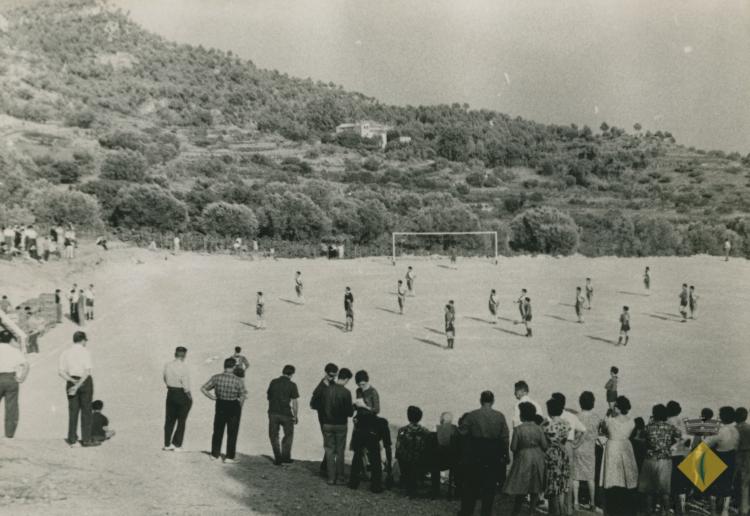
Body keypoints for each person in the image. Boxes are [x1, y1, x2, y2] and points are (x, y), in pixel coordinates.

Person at [458, 390, 510, 516]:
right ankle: (486, 513)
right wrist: (506, 455)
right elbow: (504, 438)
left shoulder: (472, 415)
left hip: (475, 454)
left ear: (480, 400)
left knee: (471, 486)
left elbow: (461, 433)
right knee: (489, 487)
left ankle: (467, 512)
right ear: (492, 401)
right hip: (493, 454)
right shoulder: (500, 416)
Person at [504, 401, 548, 515]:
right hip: (537, 458)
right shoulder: (539, 428)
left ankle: (516, 511)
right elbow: (544, 446)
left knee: (521, 486)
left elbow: (513, 447)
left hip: (523, 458)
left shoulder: (518, 429)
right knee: (535, 486)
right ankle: (532, 512)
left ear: (522, 415)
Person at [201, 358, 247, 463]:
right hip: (233, 406)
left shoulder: (216, 377)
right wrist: (240, 406)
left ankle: (214, 454)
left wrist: (212, 397)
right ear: (234, 367)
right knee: (232, 432)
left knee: (218, 430)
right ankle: (229, 457)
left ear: (225, 366)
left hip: (220, 404)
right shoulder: (238, 380)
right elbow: (243, 395)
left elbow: (203, 388)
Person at [638, 404, 680, 515]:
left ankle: (649, 512)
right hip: (665, 460)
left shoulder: (648, 427)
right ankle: (666, 511)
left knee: (648, 491)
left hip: (649, 459)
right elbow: (681, 437)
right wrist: (672, 445)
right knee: (665, 491)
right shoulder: (670, 427)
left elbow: (640, 438)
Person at [58, 331, 99, 447]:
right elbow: (87, 372)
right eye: (85, 340)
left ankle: (72, 438)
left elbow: (60, 372)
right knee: (86, 410)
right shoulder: (85, 352)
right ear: (82, 340)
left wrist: (72, 382)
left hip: (71, 381)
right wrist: (78, 385)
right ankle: (86, 439)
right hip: (84, 382)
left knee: (73, 410)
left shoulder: (65, 353)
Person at [599, 396, 639, 515]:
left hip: (613, 446)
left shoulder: (610, 420)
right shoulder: (631, 421)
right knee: (626, 470)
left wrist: (607, 415)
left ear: (619, 408)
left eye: (615, 405)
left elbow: (603, 429)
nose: (613, 407)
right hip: (625, 445)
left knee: (613, 473)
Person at [552, 392, 586, 515]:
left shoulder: (552, 416)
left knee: (557, 478)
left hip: (557, 446)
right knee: (568, 478)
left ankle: (557, 509)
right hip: (569, 446)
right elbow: (583, 430)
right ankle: (568, 509)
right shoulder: (571, 416)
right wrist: (576, 444)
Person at [349, 370, 383, 493]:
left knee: (373, 454)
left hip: (371, 422)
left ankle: (376, 484)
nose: (361, 387)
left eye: (363, 384)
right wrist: (354, 405)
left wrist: (364, 406)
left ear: (367, 381)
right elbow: (355, 407)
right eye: (359, 385)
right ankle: (353, 482)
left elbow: (377, 409)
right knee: (357, 453)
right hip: (360, 422)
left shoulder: (373, 392)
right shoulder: (358, 391)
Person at [320, 367, 354, 485]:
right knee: (340, 451)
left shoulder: (326, 390)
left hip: (327, 424)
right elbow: (350, 413)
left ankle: (330, 478)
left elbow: (320, 406)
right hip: (340, 425)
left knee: (329, 450)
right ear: (346, 379)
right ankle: (340, 478)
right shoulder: (346, 392)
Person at [705, 406, 740, 516]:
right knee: (727, 485)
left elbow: (706, 443)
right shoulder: (736, 430)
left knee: (713, 485)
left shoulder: (721, 431)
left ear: (723, 417)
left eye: (720, 415)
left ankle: (713, 511)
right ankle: (725, 510)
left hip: (719, 457)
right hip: (732, 458)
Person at [542, 397, 572, 516]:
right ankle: (562, 511)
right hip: (563, 453)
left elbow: (544, 440)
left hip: (552, 454)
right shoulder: (566, 424)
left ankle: (554, 512)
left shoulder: (548, 426)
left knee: (552, 483)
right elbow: (564, 439)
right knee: (562, 484)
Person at [573, 391, 602, 511]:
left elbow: (576, 433)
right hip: (590, 449)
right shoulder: (596, 417)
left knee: (576, 477)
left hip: (578, 448)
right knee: (590, 477)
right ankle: (593, 503)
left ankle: (575, 502)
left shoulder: (577, 416)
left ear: (581, 402)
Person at [310, 363, 338, 477]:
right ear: (325, 373)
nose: (333, 378)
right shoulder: (320, 388)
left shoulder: (333, 385)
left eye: (334, 376)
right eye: (331, 376)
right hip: (325, 418)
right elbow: (312, 404)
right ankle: (326, 468)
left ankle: (325, 467)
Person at [267, 365, 299, 466]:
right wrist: (295, 415)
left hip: (273, 412)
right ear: (292, 374)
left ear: (283, 371)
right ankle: (286, 457)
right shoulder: (292, 385)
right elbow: (294, 402)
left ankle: (278, 458)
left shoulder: (273, 382)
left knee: (274, 435)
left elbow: (269, 397)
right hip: (286, 413)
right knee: (288, 435)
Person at [396, 405, 431, 497]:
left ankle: (408, 488)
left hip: (406, 460)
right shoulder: (425, 431)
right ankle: (415, 486)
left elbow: (398, 447)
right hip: (420, 459)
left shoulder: (402, 430)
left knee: (404, 463)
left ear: (408, 416)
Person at [0, 330, 29, 438]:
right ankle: (9, 434)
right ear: (10, 340)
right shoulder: (14, 351)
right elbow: (26, 365)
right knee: (11, 407)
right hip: (10, 378)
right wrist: (22, 378)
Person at [163, 346, 192, 452]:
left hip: (170, 392)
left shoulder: (168, 365)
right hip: (181, 393)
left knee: (169, 420)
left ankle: (167, 444)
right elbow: (186, 384)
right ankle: (177, 444)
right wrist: (189, 396)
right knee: (181, 420)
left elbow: (165, 378)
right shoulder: (184, 367)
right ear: (184, 355)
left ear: (175, 354)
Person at [666, 400, 691, 515]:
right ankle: (682, 508)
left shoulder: (667, 422)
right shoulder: (684, 422)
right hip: (684, 455)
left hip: (672, 455)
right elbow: (687, 440)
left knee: (672, 483)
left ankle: (672, 507)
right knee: (681, 483)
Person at [734, 407, 750, 516]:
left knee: (734, 481)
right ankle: (744, 508)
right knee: (745, 484)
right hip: (748, 456)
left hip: (736, 456)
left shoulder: (734, 429)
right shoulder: (749, 428)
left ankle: (733, 504)